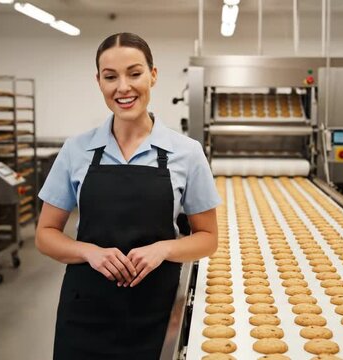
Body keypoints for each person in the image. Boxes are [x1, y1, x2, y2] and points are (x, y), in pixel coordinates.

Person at [35, 32, 220, 360]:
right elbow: (45, 235)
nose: (123, 87)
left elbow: (207, 239)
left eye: (134, 73)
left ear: (153, 74)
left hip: (156, 312)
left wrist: (163, 249)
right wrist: (89, 252)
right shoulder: (76, 151)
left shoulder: (187, 153)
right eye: (110, 77)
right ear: (99, 81)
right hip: (85, 314)